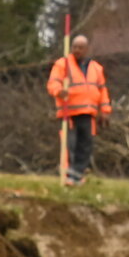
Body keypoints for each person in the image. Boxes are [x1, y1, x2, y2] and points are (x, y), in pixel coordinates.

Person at [47, 34, 111, 184]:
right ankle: (67, 175)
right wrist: (59, 91)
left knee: (86, 145)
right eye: (74, 47)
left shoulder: (96, 68)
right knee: (69, 145)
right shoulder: (62, 64)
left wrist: (105, 111)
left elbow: (102, 91)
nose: (77, 50)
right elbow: (52, 83)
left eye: (80, 48)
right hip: (69, 113)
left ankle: (78, 175)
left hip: (88, 113)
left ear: (86, 49)